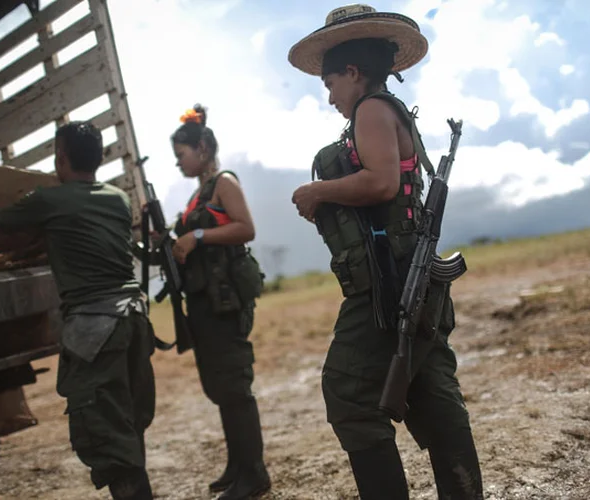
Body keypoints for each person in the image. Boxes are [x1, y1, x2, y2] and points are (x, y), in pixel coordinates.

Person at [288, 5, 484, 499]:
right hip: (403, 273)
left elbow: (381, 183)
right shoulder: (383, 108)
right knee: (430, 389)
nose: (330, 96)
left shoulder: (371, 110)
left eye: (330, 83)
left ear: (352, 72)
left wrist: (318, 192)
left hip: (388, 281)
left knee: (349, 392)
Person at [0, 121, 156, 500]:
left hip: (96, 328)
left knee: (107, 436)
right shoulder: (117, 198)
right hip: (134, 321)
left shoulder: (51, 200)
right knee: (128, 428)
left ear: (61, 156)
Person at [169, 104, 271, 500]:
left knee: (233, 387)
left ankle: (255, 474)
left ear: (202, 149)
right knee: (219, 386)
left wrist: (197, 238)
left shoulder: (224, 183)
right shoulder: (200, 193)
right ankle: (238, 464)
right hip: (207, 302)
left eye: (182, 155)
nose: (178, 164)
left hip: (225, 302)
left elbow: (246, 229)